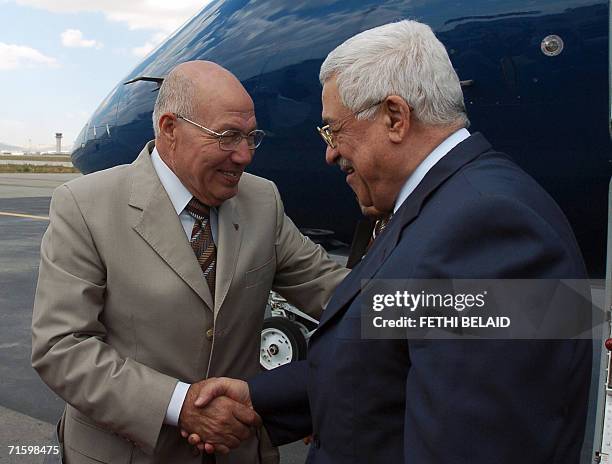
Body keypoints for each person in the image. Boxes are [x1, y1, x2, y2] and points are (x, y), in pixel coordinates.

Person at [188, 21, 592, 463]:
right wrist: (259, 397)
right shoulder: (449, 211)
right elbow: (391, 355)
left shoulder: (488, 229)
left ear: (395, 118)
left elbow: (475, 446)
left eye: (332, 131)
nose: (329, 152)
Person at [31, 60, 348, 464]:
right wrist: (180, 404)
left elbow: (335, 292)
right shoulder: (85, 205)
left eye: (252, 137)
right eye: (228, 136)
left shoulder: (262, 200)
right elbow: (61, 346)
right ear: (169, 129)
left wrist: (446, 313)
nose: (245, 155)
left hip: (237, 452)